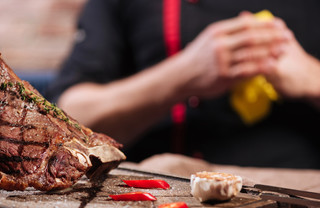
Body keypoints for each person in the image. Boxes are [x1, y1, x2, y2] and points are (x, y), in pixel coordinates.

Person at [45, 0, 320, 169]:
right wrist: (183, 74)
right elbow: (67, 119)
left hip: (294, 202)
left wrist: (311, 77)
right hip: (151, 199)